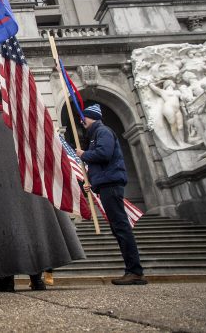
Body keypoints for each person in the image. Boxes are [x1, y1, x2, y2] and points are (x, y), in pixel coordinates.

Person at [0, 90, 85, 292]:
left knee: (4, 230)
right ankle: (37, 279)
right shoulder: (22, 120)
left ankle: (7, 280)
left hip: (1, 192)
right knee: (35, 228)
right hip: (32, 188)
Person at [75, 103, 147, 285]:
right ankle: (132, 270)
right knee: (118, 228)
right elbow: (100, 162)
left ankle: (134, 271)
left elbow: (104, 154)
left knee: (121, 227)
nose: (82, 121)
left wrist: (83, 154)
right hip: (106, 184)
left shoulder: (103, 132)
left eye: (85, 117)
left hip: (111, 185)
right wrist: (91, 183)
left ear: (93, 118)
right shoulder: (96, 135)